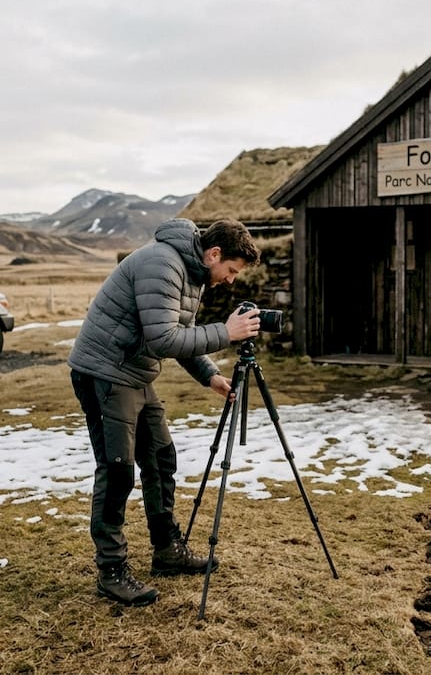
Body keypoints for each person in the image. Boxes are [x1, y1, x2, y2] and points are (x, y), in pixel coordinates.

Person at [68, 217, 262, 606]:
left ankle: (166, 550)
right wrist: (227, 332)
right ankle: (111, 570)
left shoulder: (192, 274)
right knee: (118, 468)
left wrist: (209, 376)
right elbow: (164, 338)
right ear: (214, 254)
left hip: (134, 373)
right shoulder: (163, 264)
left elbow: (181, 332)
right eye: (231, 270)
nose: (230, 280)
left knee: (159, 457)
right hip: (104, 372)